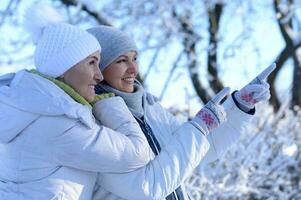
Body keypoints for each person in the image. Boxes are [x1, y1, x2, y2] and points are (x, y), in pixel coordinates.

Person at [88, 26, 275, 200]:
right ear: (98, 69)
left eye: (135, 58)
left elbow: (200, 149)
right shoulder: (95, 121)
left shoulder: (151, 108)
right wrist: (199, 127)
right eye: (121, 60)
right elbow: (147, 188)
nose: (133, 68)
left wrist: (239, 107)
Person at [0, 5, 155, 200]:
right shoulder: (59, 125)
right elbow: (138, 153)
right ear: (64, 68)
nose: (99, 76)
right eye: (92, 63)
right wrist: (109, 102)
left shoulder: (29, 108)